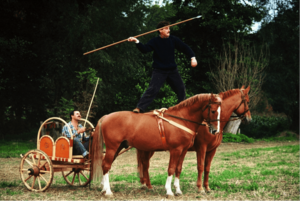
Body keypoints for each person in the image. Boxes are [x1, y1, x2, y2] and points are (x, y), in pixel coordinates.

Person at [128, 20, 197, 113]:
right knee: (153, 89)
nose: (169, 30)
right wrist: (136, 41)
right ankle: (139, 108)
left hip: (172, 70)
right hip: (159, 70)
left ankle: (182, 109)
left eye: (169, 28)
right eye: (167, 28)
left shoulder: (173, 40)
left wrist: (192, 57)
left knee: (181, 89)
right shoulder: (155, 41)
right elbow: (145, 49)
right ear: (161, 30)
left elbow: (185, 48)